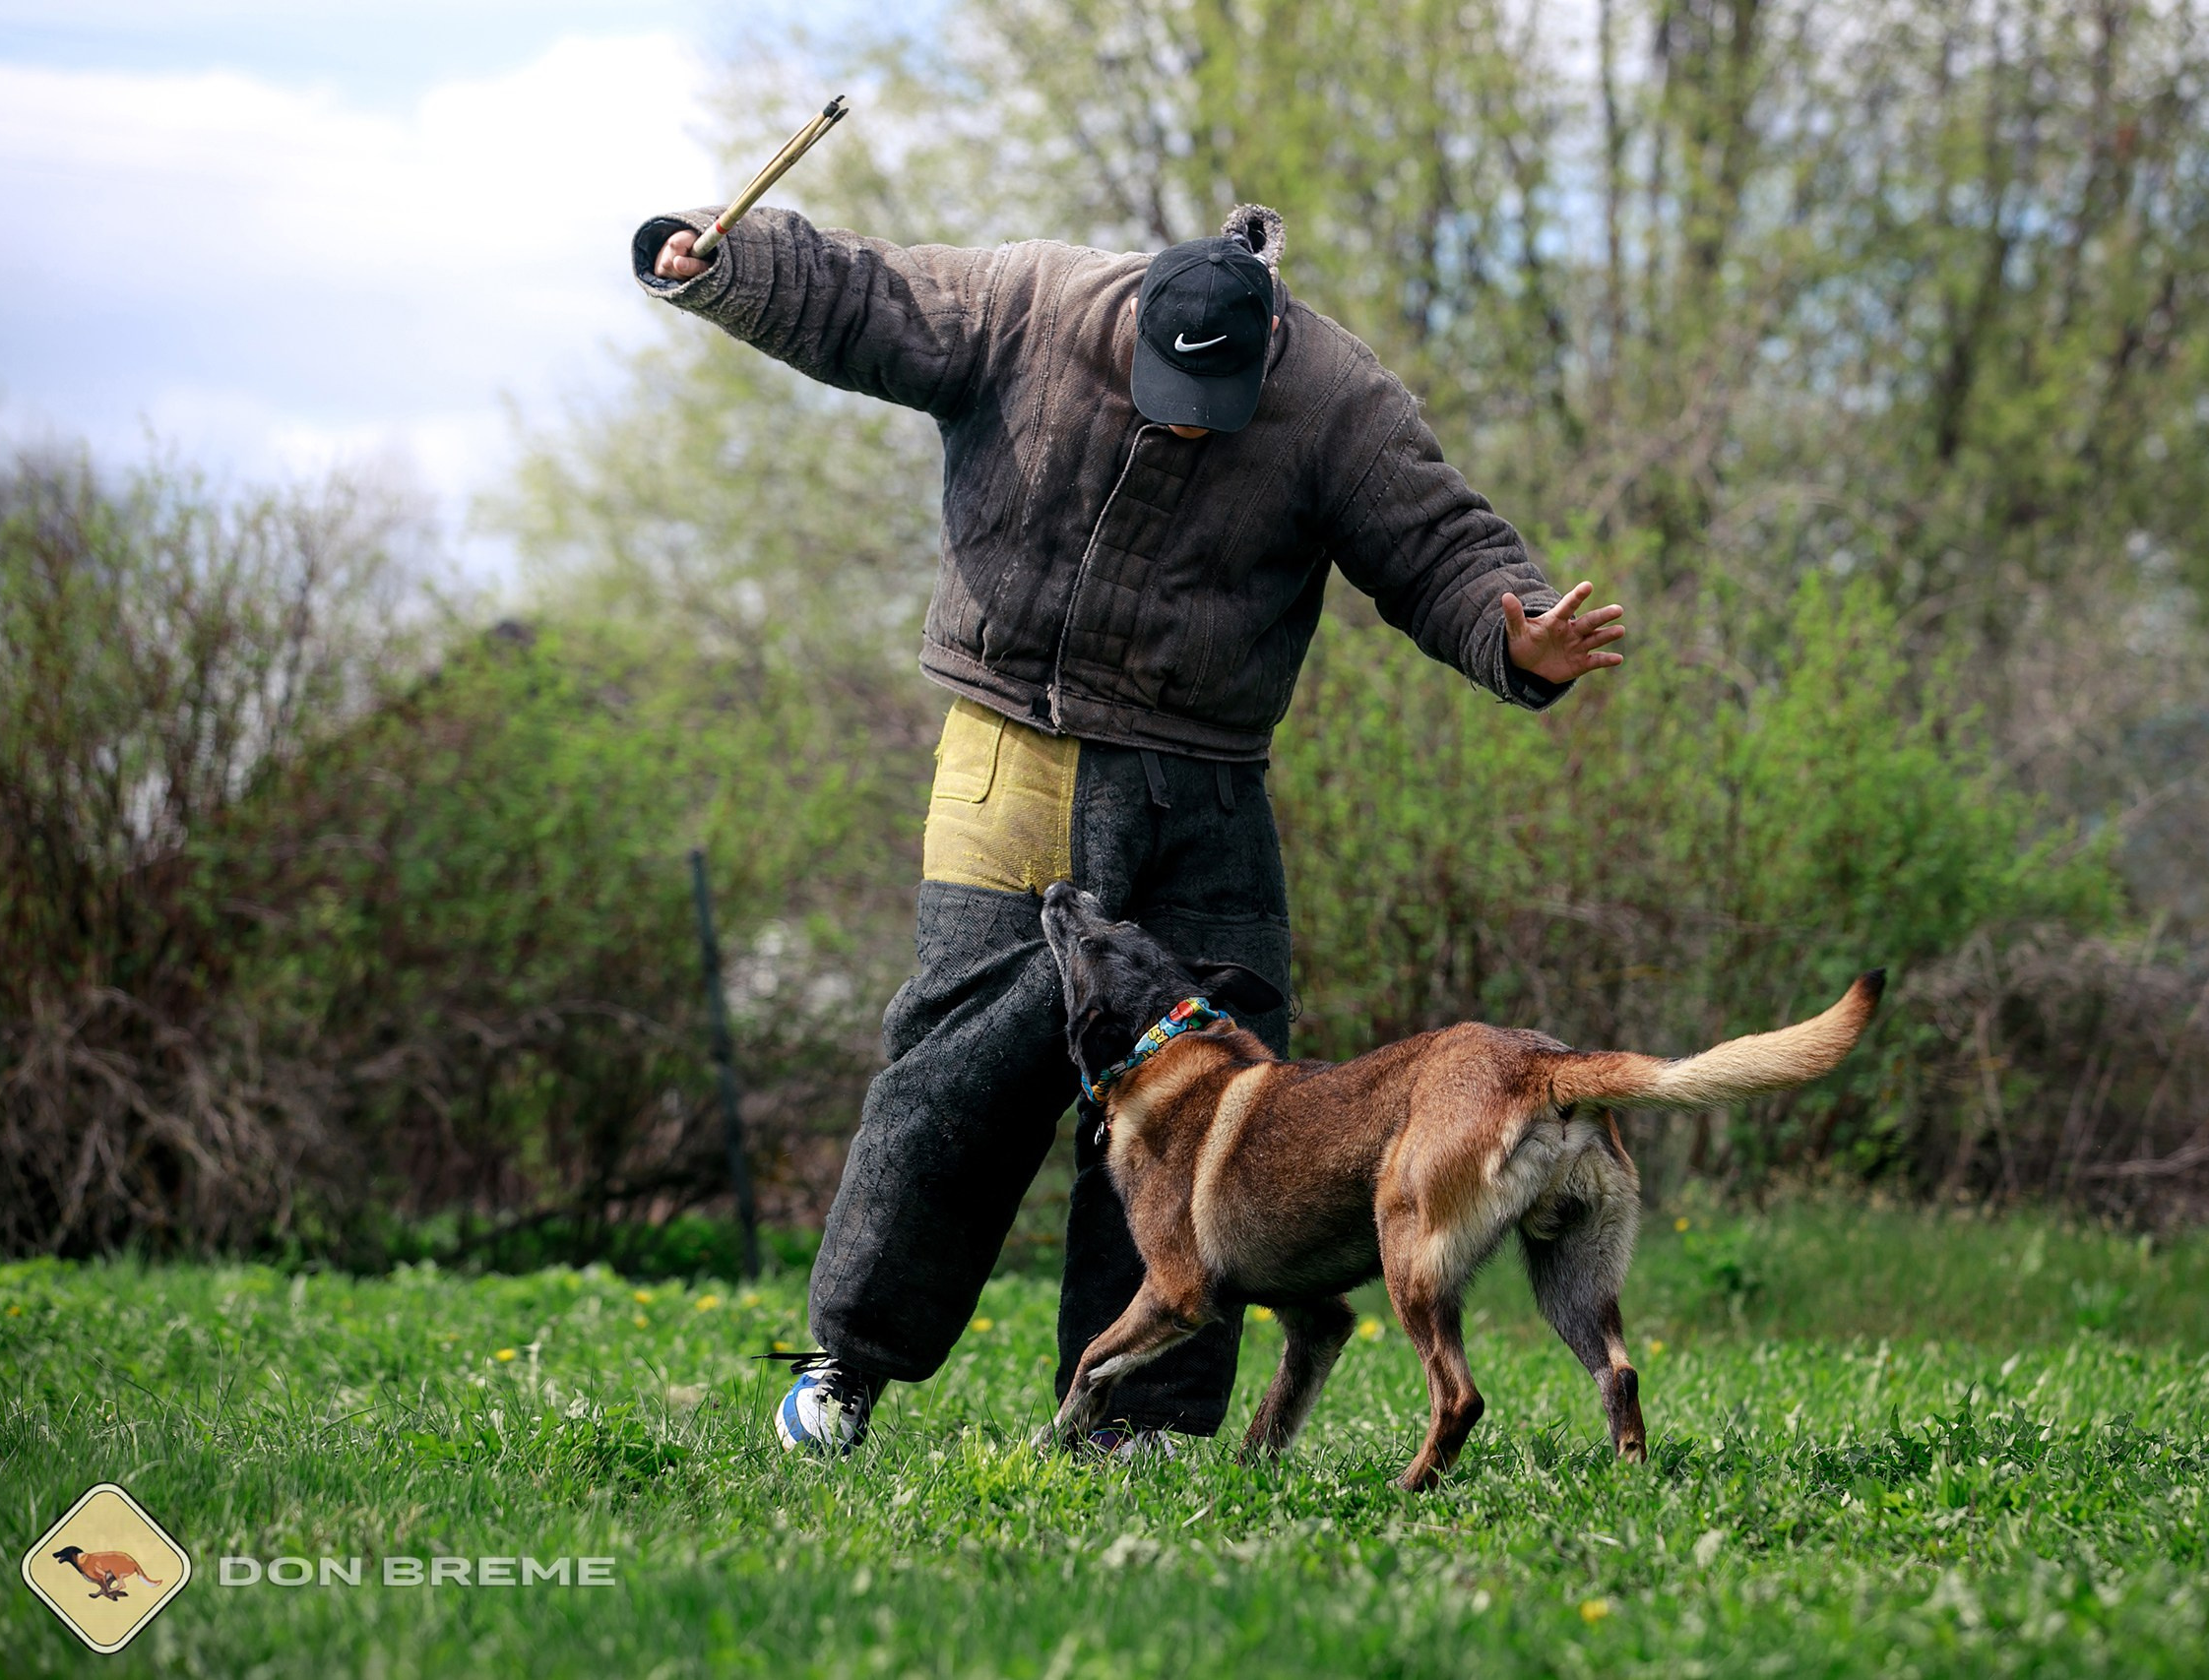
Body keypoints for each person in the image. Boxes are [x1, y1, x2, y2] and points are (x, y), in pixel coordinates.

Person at [631, 199, 1626, 1457]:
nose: (1177, 416)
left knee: (1219, 1102)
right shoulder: (1031, 303)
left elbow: (1437, 541)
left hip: (1202, 785)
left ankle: (1142, 1420)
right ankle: (847, 1368)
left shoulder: (1336, 397)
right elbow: (866, 296)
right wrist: (730, 264)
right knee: (953, 1082)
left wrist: (1511, 630)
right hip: (1012, 753)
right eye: (1160, 387)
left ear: (1270, 344)